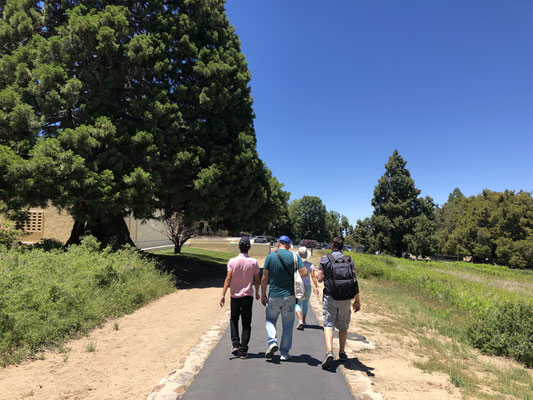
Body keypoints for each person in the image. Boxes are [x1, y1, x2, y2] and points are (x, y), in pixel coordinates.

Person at [316, 237, 361, 370]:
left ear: (331, 246)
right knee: (343, 324)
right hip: (346, 298)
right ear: (342, 247)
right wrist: (357, 300)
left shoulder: (325, 258)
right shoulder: (349, 259)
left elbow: (319, 278)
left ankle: (329, 351)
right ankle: (342, 352)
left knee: (328, 324)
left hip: (330, 296)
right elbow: (354, 281)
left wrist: (327, 275)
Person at [261, 235, 308, 361]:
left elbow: (264, 278)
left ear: (278, 243)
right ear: (289, 245)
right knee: (287, 324)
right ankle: (285, 353)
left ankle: (272, 342)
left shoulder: (270, 257)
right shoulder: (294, 257)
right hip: (290, 295)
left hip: (274, 295)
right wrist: (294, 274)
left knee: (270, 319)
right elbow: (304, 273)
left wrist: (263, 294)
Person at [220, 237, 260, 359]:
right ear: (249, 247)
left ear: (238, 247)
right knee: (246, 323)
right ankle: (243, 351)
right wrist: (257, 292)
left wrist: (222, 294)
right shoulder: (254, 262)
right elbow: (256, 280)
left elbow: (228, 278)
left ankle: (235, 344)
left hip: (235, 296)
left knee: (234, 319)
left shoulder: (232, 261)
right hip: (248, 295)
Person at [295, 246, 319, 331]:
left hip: (298, 285)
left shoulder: (296, 264)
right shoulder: (310, 265)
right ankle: (304, 320)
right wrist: (316, 286)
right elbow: (313, 276)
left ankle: (300, 320)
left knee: (297, 303)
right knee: (305, 304)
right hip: (307, 286)